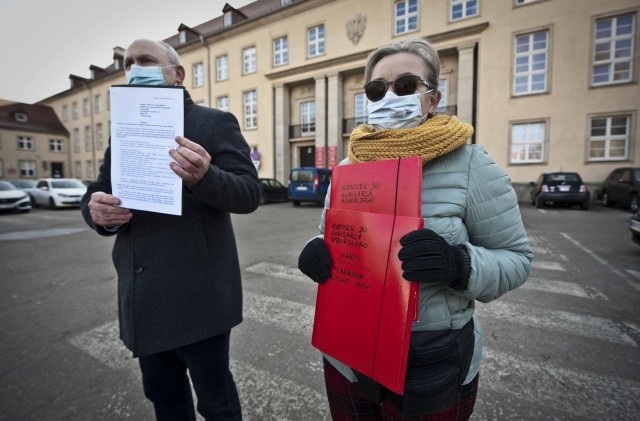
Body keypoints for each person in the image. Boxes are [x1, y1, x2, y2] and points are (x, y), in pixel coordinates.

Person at [298, 37, 533, 420]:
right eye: (377, 89)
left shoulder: (471, 164)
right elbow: (329, 234)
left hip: (430, 363)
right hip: (347, 356)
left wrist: (459, 265)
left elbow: (517, 259)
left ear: (433, 98)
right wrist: (315, 249)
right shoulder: (348, 165)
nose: (389, 96)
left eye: (405, 85)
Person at [80, 39, 261, 421]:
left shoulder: (213, 123)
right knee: (165, 399)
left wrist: (205, 177)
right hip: (143, 295)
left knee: (216, 402)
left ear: (177, 74)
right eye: (128, 63)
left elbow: (248, 193)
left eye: (145, 60)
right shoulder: (124, 129)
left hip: (199, 296)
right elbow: (98, 190)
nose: (134, 69)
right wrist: (96, 211)